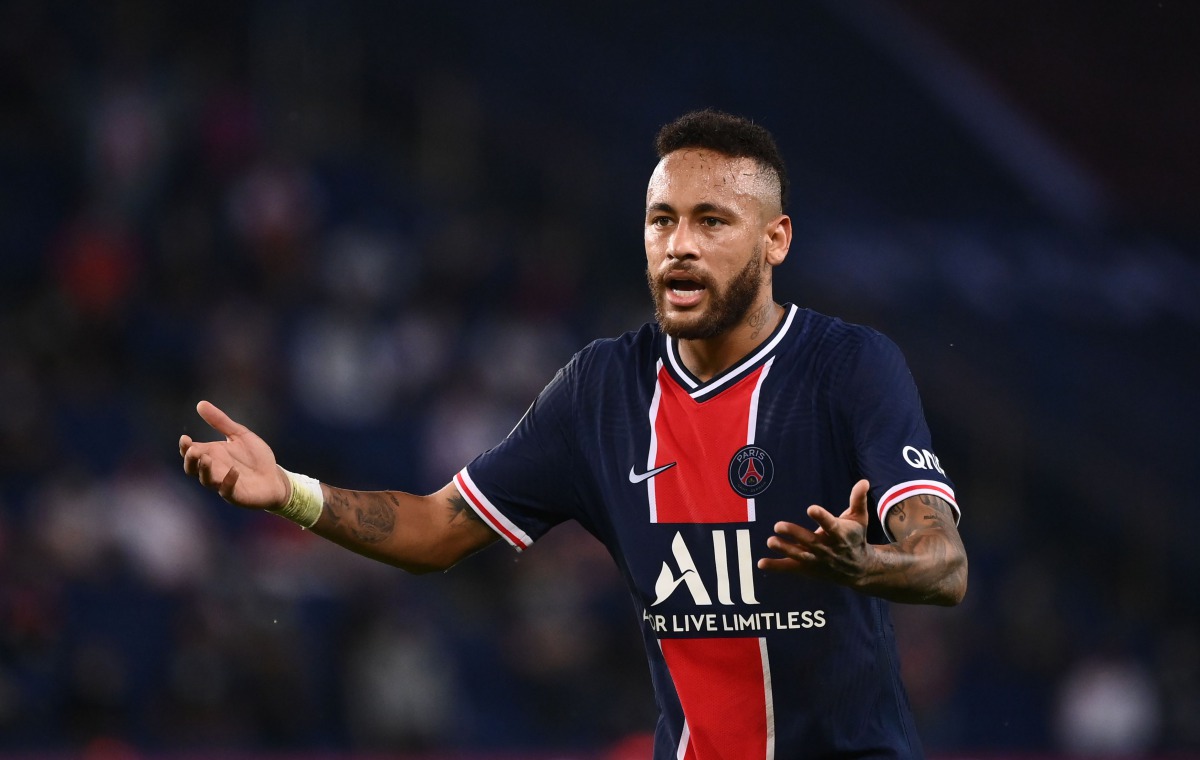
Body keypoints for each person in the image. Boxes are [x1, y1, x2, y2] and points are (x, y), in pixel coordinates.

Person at [180, 109, 967, 759]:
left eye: (711, 221)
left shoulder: (850, 367)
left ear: (776, 240)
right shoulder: (602, 390)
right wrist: (290, 492)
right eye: (662, 221)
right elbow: (432, 530)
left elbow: (945, 565)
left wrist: (871, 564)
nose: (679, 245)